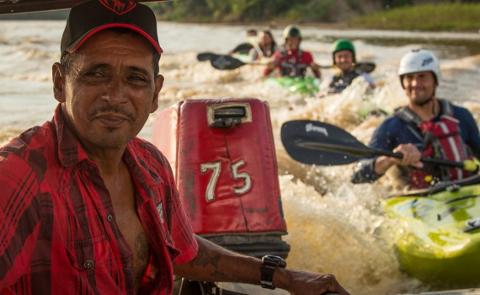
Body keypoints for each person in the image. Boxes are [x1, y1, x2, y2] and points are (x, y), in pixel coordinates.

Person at [0, 1, 349, 295]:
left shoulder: (151, 165)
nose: (115, 95)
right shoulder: (17, 177)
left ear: (155, 94)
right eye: (95, 74)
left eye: (135, 78)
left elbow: (182, 252)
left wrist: (281, 276)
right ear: (60, 83)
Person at [351, 49, 480, 189]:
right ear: (403, 83)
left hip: (465, 192)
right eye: (409, 78)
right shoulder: (391, 126)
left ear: (435, 80)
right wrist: (390, 159)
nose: (415, 84)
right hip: (417, 199)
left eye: (422, 77)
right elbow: (357, 175)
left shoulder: (461, 116)